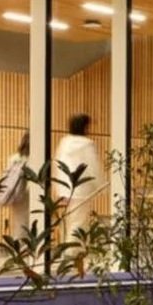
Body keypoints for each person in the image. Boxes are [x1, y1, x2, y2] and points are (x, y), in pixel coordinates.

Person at [53, 113, 106, 266]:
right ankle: (71, 252)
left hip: (66, 186)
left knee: (71, 219)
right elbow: (92, 165)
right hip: (81, 186)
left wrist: (59, 187)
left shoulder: (64, 142)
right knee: (79, 220)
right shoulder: (87, 144)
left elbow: (58, 164)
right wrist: (100, 185)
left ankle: (70, 249)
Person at [0, 134, 32, 242]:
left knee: (20, 222)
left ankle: (18, 249)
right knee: (26, 224)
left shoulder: (15, 158)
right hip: (28, 194)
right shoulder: (34, 159)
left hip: (16, 194)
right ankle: (23, 250)